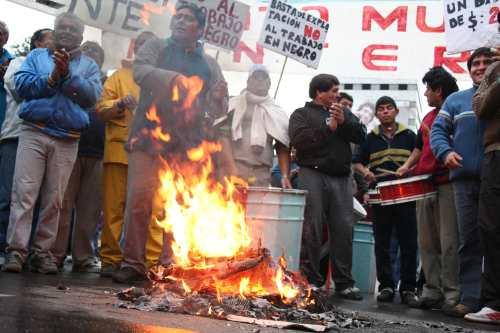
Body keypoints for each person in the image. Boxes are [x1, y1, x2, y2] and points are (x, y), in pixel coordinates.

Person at [112, 3, 228, 283]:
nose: (179, 21)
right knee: (139, 201)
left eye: (188, 19)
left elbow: (219, 110)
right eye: (178, 16)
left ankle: (170, 265)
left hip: (187, 144)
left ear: (199, 29)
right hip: (148, 137)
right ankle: (133, 263)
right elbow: (140, 71)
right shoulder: (156, 47)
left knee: (180, 204)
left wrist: (218, 99)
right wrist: (174, 78)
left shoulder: (210, 64)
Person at [1, 13, 102, 274]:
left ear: (81, 36)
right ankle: (16, 251)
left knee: (54, 200)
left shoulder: (89, 65)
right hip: (34, 131)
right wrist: (50, 79)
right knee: (24, 194)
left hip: (67, 138)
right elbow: (21, 85)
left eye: (73, 29)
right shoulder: (36, 57)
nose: (67, 32)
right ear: (55, 32)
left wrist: (67, 75)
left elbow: (91, 97)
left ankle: (41, 253)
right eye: (62, 28)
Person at [289, 74, 366, 300]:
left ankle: (344, 283)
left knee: (343, 228)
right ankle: (310, 280)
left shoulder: (344, 113)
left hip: (341, 178)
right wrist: (328, 128)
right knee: (312, 226)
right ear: (318, 92)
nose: (336, 95)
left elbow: (361, 135)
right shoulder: (301, 114)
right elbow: (299, 141)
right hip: (312, 173)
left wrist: (344, 122)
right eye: (332, 91)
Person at [430, 47, 493, 317]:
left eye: (486, 62)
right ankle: (470, 298)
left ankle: (493, 301)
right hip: (464, 182)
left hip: (495, 178)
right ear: (468, 70)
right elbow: (438, 131)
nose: (480, 67)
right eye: (475, 63)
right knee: (469, 240)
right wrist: (445, 152)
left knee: (495, 239)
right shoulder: (455, 100)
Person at [96, 31, 162, 277]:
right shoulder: (118, 76)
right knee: (114, 208)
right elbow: (101, 108)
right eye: (142, 45)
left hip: (152, 155)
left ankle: (151, 263)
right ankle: (111, 259)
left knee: (154, 210)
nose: (146, 49)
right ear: (135, 48)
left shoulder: (162, 79)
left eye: (151, 45)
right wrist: (120, 104)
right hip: (119, 151)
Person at [396, 67, 460, 310]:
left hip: (448, 184)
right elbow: (419, 148)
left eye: (428, 89)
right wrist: (405, 167)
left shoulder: (457, 111)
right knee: (427, 241)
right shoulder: (427, 117)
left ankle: (452, 293)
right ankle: (432, 290)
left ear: (438, 90)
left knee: (449, 241)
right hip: (423, 185)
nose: (425, 94)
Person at [353, 96, 418, 305]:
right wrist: (367, 173)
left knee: (408, 241)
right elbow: (357, 163)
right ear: (377, 114)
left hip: (405, 194)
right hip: (379, 194)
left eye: (389, 108)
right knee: (382, 242)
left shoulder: (409, 135)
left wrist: (406, 167)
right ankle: (387, 286)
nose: (385, 112)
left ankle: (408, 288)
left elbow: (419, 155)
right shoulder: (369, 138)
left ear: (396, 112)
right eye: (381, 109)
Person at [51, 41, 106, 272]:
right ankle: (55, 254)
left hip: (98, 153)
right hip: (72, 144)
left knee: (89, 209)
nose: (91, 53)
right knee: (62, 204)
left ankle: (83, 256)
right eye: (87, 49)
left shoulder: (107, 83)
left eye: (96, 51)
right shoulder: (70, 76)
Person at [0, 28, 54, 260]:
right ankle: (5, 246)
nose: (53, 43)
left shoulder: (57, 66)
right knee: (11, 196)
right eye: (48, 39)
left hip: (44, 134)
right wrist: (49, 84)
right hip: (15, 135)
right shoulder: (18, 62)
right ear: (35, 42)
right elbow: (18, 89)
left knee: (38, 198)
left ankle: (29, 250)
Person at [465, 48, 500, 325]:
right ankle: (494, 303)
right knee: (491, 227)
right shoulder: (493, 72)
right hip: (496, 153)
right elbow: (480, 107)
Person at [217, 65, 291, 188]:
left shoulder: (277, 112)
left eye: (263, 77)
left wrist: (284, 176)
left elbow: (282, 146)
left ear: (269, 83)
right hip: (235, 167)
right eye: (256, 77)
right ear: (248, 82)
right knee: (229, 206)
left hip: (262, 172)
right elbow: (222, 137)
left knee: (257, 207)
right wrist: (231, 167)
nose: (260, 81)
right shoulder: (233, 104)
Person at [0, 20, 13, 128]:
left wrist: (7, 77)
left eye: (1, 33)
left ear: (6, 39)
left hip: (3, 115)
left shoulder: (13, 62)